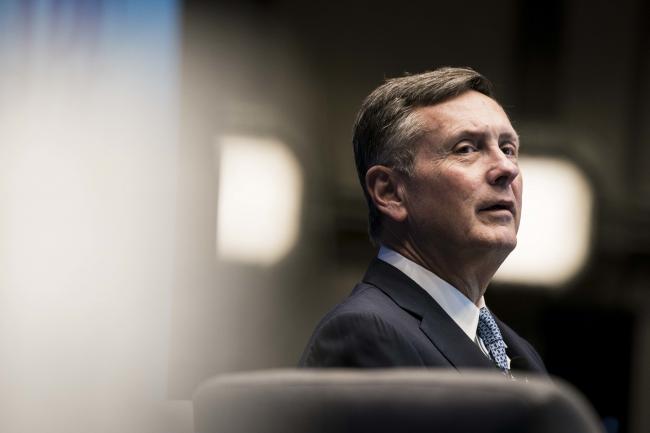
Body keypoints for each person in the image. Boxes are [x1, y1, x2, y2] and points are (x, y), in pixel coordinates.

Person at [299, 67, 546, 376]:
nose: (506, 168)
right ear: (390, 192)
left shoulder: (522, 355)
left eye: (508, 149)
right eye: (467, 148)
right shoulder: (365, 335)